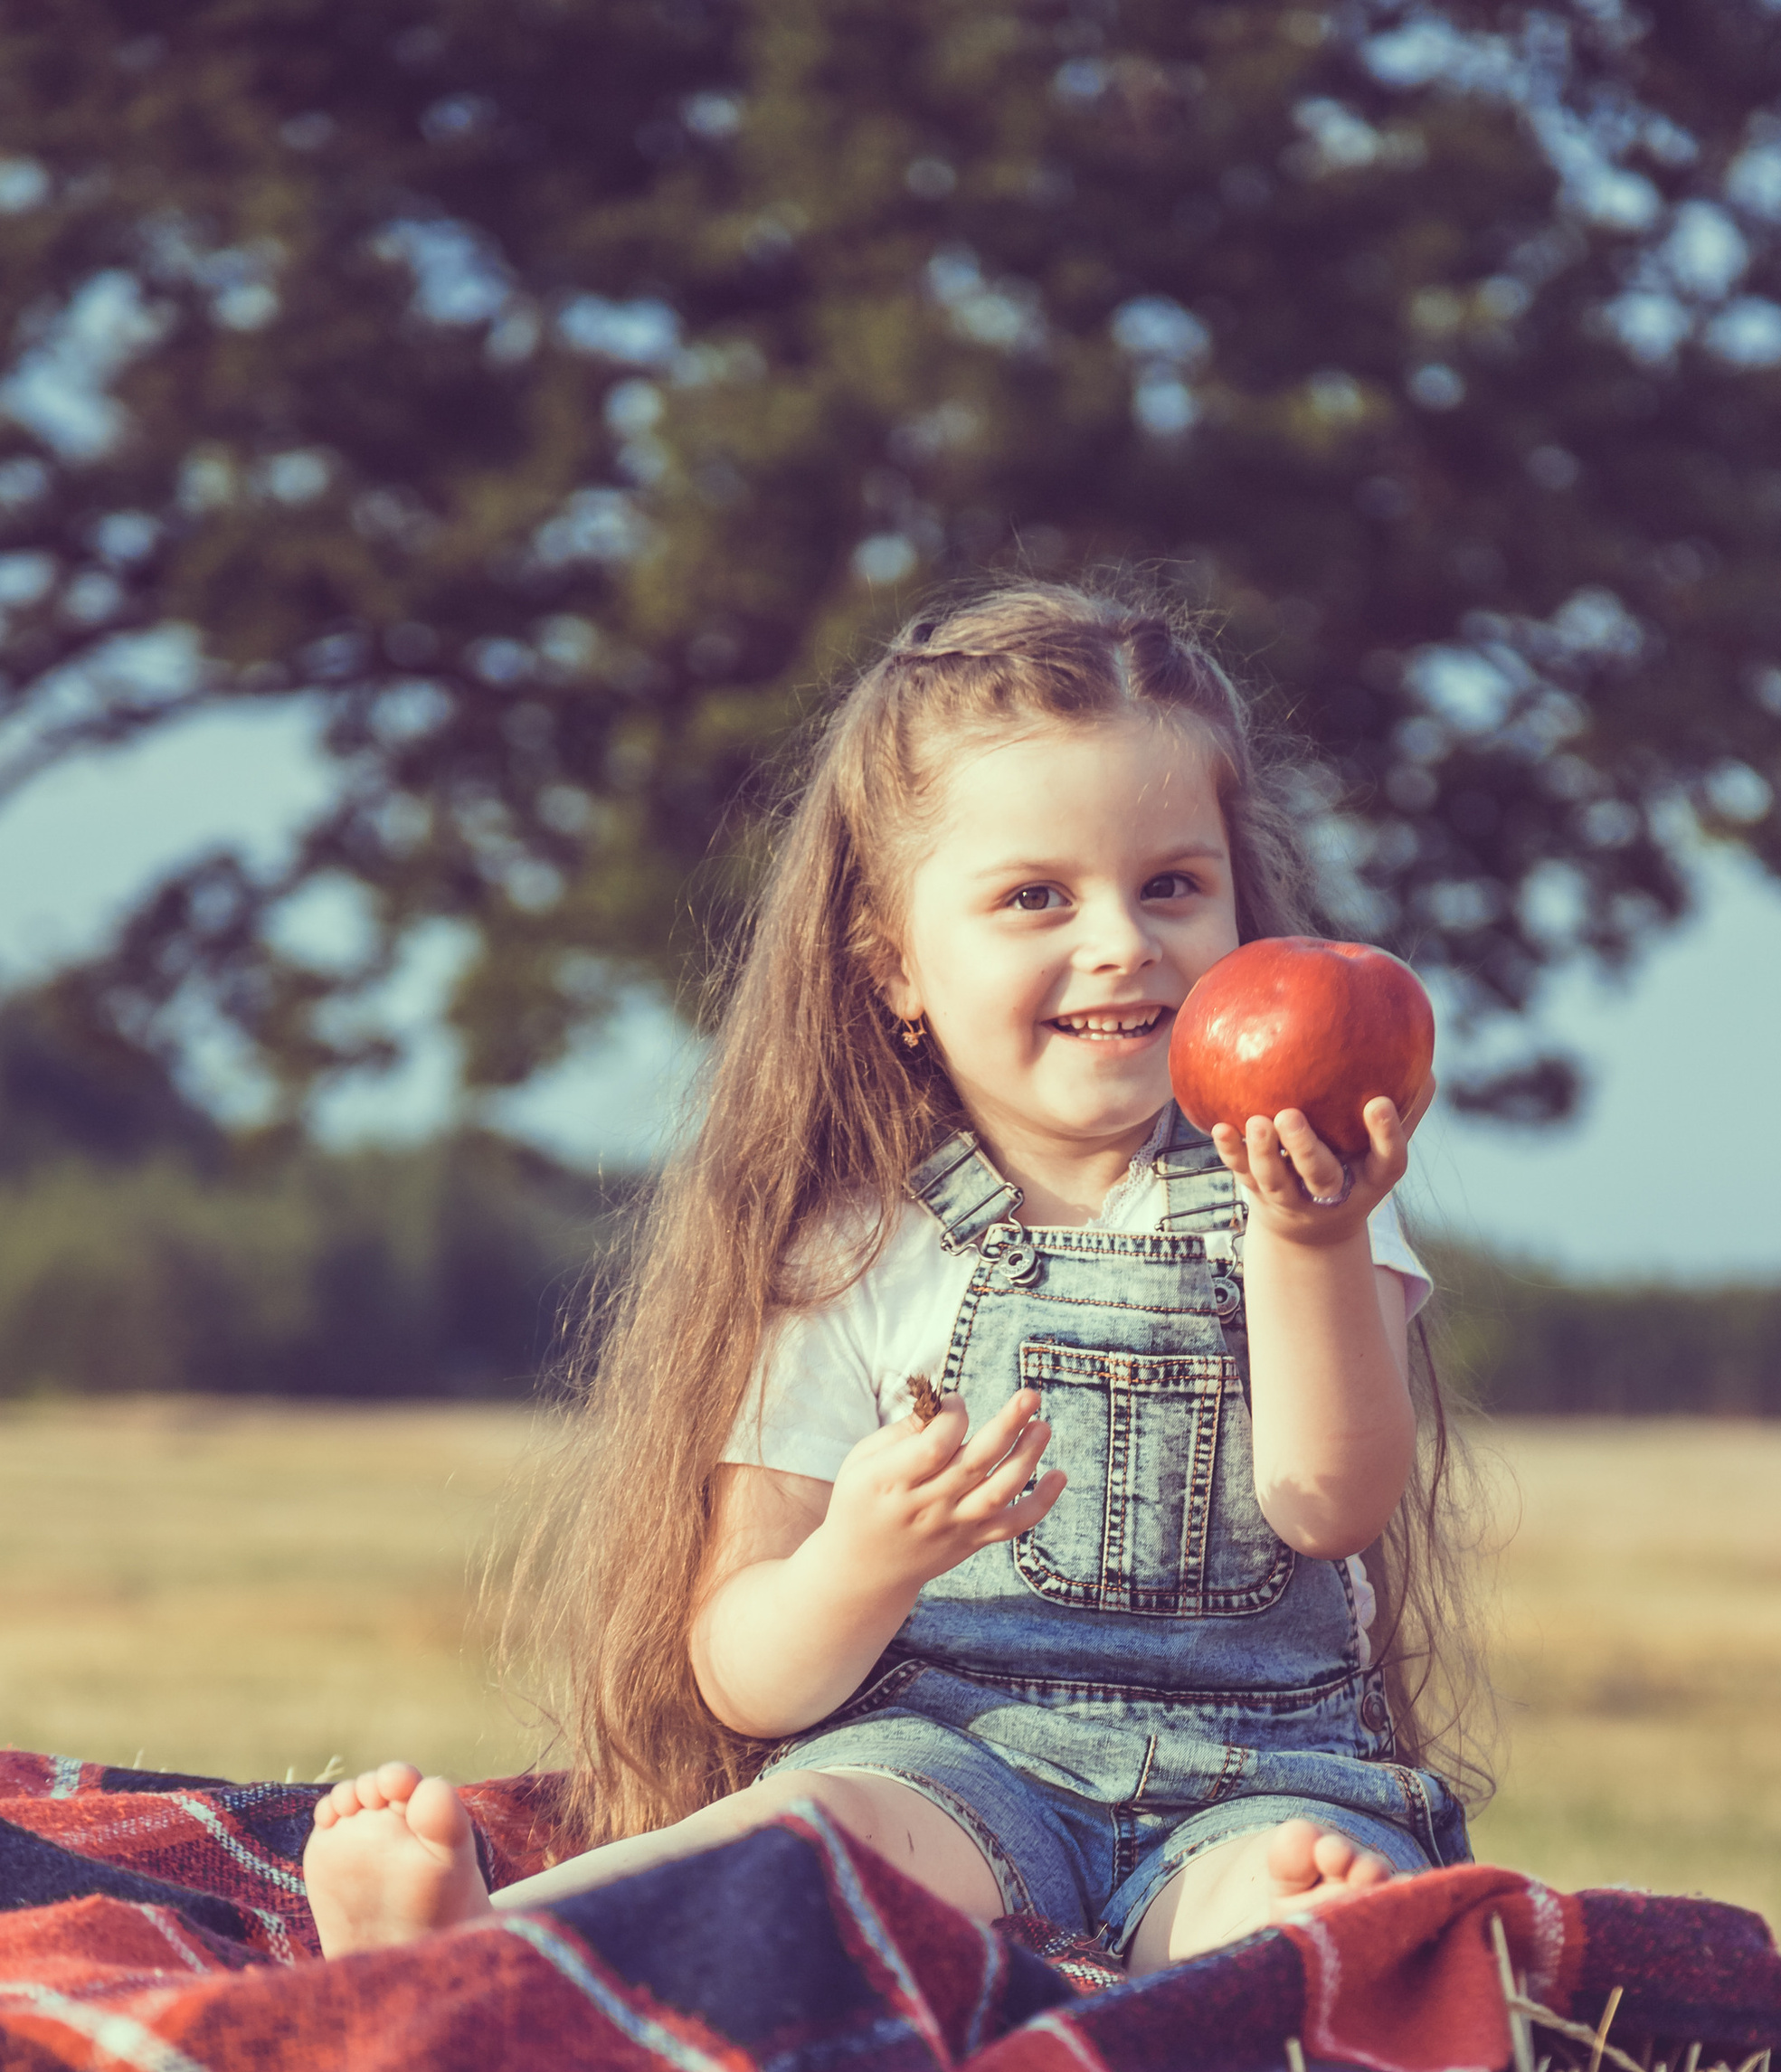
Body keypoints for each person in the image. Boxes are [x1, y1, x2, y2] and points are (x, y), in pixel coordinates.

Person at [304, 581, 1475, 1967]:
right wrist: (862, 1561)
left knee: (1298, 1905)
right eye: (1034, 896)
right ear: (896, 967)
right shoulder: (853, 1246)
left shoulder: (1304, 1193)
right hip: (951, 1763)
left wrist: (1314, 1244)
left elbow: (1329, 1502)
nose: (1120, 940)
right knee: (808, 1831)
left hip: (1263, 1768)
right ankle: (480, 1946)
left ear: (1240, 909)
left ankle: (1248, 1953)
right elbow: (746, 1675)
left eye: (1172, 884)